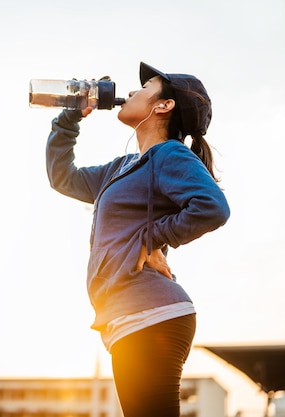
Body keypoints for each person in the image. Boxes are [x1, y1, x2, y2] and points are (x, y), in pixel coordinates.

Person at [45, 62, 230, 417]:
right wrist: (69, 120)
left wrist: (150, 239)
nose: (131, 92)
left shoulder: (169, 154)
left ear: (163, 106)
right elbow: (62, 178)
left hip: (151, 313)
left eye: (145, 87)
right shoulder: (123, 166)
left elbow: (212, 207)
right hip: (129, 315)